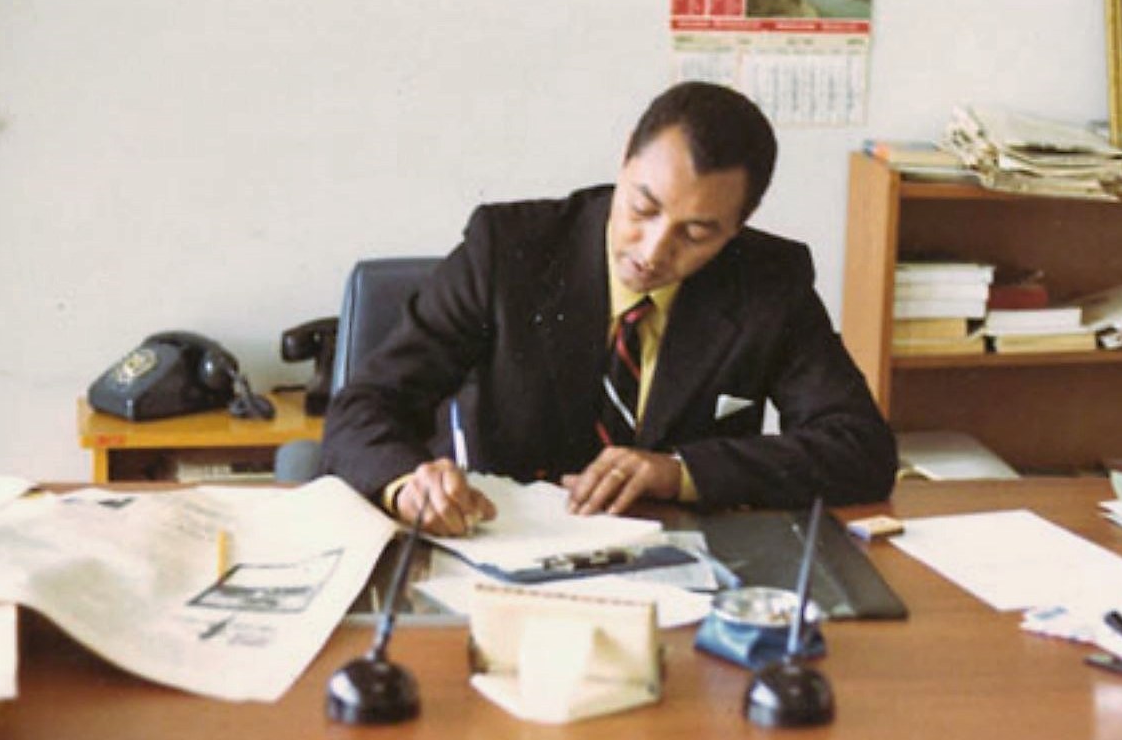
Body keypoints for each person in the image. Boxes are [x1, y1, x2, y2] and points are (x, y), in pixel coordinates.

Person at [321, 81, 897, 535]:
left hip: (676, 569)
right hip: (498, 546)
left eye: (697, 233)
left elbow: (861, 449)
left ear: (737, 227)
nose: (654, 251)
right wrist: (406, 484)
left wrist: (681, 472)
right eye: (643, 208)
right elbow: (364, 405)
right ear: (624, 159)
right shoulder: (508, 249)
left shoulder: (769, 281)